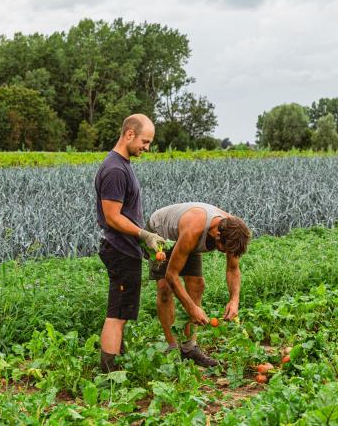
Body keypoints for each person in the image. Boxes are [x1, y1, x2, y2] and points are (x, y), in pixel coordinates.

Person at [94, 114, 163, 372]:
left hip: (126, 248)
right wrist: (144, 235)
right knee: (118, 312)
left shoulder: (122, 165)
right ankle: (109, 374)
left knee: (123, 311)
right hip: (120, 249)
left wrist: (143, 241)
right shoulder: (114, 169)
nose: (147, 148)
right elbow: (112, 217)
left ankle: (116, 363)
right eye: (145, 141)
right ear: (129, 134)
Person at [148, 203, 251, 367]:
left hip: (187, 236)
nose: (226, 253)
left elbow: (233, 269)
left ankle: (189, 348)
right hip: (161, 233)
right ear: (217, 236)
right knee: (165, 289)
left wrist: (234, 300)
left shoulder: (233, 233)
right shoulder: (193, 230)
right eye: (224, 250)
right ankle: (172, 348)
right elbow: (171, 275)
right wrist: (191, 308)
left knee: (197, 284)